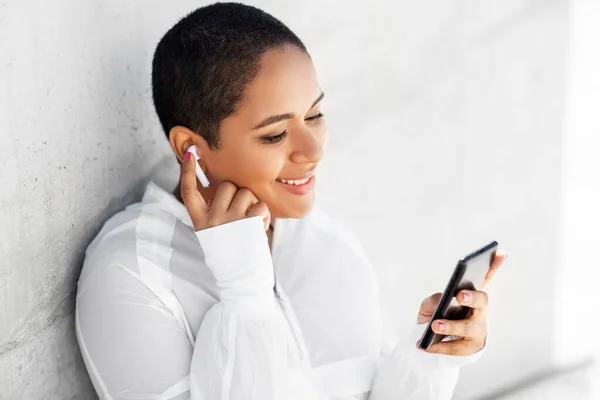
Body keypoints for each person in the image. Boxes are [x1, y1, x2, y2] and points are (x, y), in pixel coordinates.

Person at [75, 3, 507, 400]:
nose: (313, 150)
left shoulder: (325, 241)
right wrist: (244, 292)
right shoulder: (133, 273)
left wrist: (428, 359)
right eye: (275, 134)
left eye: (315, 115)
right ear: (192, 146)